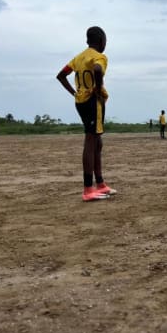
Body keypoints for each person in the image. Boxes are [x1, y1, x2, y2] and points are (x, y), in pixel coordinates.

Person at [56, 26, 116, 202]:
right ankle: (88, 189)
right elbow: (97, 70)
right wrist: (97, 89)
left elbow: (61, 75)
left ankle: (100, 184)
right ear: (101, 41)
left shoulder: (79, 58)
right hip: (93, 101)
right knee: (90, 141)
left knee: (97, 141)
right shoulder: (99, 57)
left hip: (80, 101)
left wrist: (75, 92)